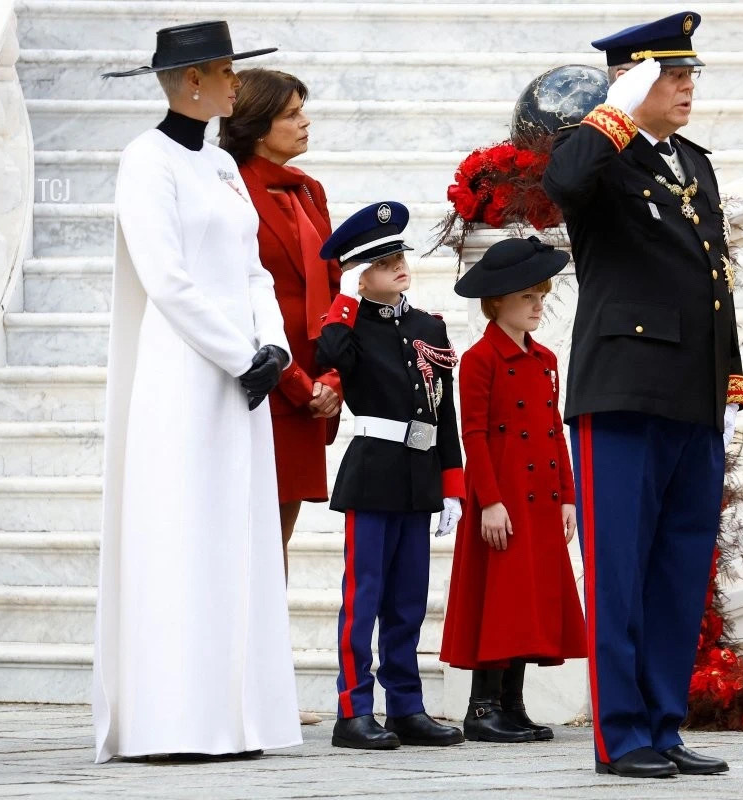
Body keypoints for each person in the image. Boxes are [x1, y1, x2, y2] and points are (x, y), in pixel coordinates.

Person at [541, 10, 743, 780]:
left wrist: (730, 380)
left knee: (678, 571)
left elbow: (715, 279)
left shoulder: (693, 162)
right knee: (620, 570)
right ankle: (621, 735)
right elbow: (562, 185)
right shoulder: (597, 152)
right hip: (623, 390)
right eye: (671, 74)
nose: (687, 86)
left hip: (693, 391)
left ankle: (662, 723)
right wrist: (614, 109)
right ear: (633, 81)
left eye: (690, 73)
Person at [94, 21, 301, 762]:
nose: (236, 84)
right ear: (191, 81)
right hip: (183, 372)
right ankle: (172, 722)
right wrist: (239, 353)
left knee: (237, 535)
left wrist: (272, 345)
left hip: (243, 375)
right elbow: (167, 278)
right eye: (226, 72)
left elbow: (252, 268)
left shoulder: (217, 163)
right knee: (179, 532)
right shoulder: (145, 160)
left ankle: (238, 720)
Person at [315, 201, 466, 750]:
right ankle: (353, 710)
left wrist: (452, 484)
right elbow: (329, 354)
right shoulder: (349, 326)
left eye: (399, 256)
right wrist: (345, 299)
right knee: (364, 598)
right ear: (361, 275)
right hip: (373, 473)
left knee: (408, 601)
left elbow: (444, 413)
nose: (399, 266)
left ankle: (405, 706)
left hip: (418, 476)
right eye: (382, 263)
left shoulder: (429, 327)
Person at [219, 71, 341, 727]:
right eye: (292, 113)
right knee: (245, 539)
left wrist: (335, 378)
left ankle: (266, 688)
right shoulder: (228, 186)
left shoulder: (310, 190)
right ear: (257, 123)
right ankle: (232, 687)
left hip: (312, 386)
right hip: (258, 382)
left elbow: (336, 291)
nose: (304, 122)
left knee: (277, 539)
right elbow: (235, 299)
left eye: (303, 111)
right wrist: (295, 382)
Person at [440, 236, 588, 744]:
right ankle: (482, 708)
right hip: (502, 497)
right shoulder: (480, 358)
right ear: (498, 300)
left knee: (528, 598)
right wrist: (490, 502)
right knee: (499, 596)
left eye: (541, 295)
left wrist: (568, 497)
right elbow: (473, 434)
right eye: (528, 296)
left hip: (541, 496)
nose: (538, 305)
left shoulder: (545, 358)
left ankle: (512, 704)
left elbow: (553, 430)